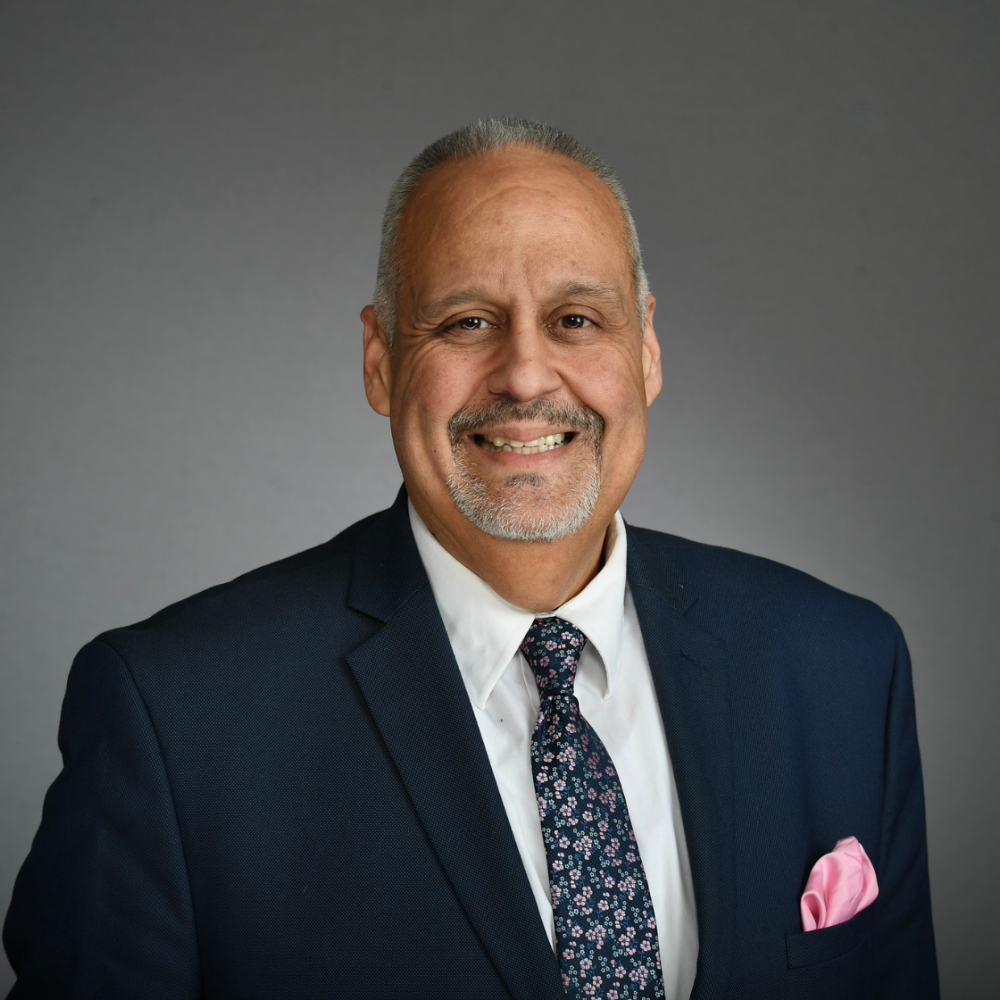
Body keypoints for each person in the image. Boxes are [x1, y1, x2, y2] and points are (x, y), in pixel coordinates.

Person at [3, 119, 938, 999]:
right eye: (465, 323)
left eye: (576, 319)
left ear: (646, 348)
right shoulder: (174, 718)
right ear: (379, 360)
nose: (526, 374)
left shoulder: (843, 669)